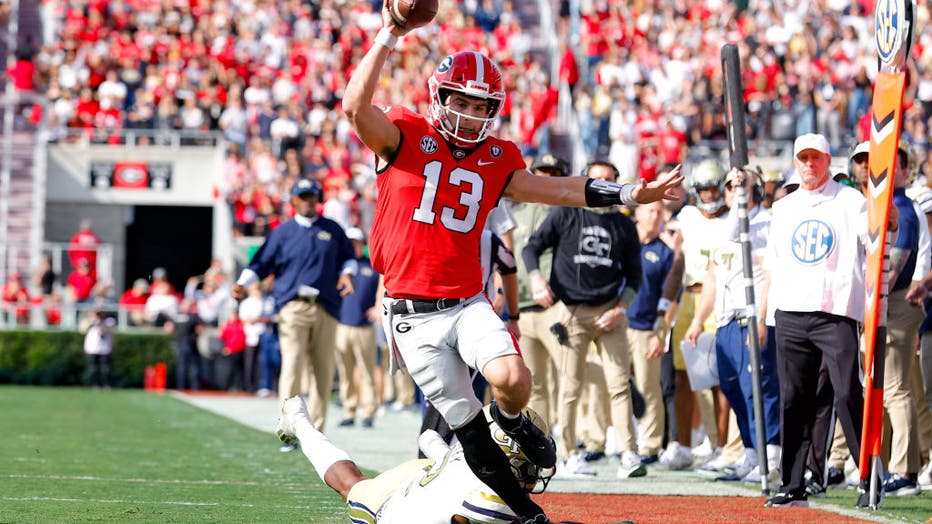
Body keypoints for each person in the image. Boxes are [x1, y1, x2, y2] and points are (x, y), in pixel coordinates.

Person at [342, 9, 682, 521]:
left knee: (513, 379)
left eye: (480, 104)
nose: (469, 112)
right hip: (411, 313)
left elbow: (563, 189)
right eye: (460, 100)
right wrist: (391, 33)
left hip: (465, 300)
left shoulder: (497, 158)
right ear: (440, 97)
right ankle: (531, 516)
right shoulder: (403, 132)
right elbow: (353, 107)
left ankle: (514, 424)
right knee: (467, 429)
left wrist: (630, 192)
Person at [762, 133, 891, 508]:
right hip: (791, 311)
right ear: (794, 161)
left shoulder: (851, 201)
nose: (809, 165)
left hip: (835, 312)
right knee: (792, 398)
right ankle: (792, 481)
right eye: (803, 158)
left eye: (815, 158)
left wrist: (890, 222)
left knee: (848, 393)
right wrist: (769, 314)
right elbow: (776, 262)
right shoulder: (782, 208)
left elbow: (878, 239)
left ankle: (869, 474)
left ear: (828, 160)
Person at [522, 160, 646, 480]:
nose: (603, 184)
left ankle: (629, 453)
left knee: (619, 384)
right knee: (570, 387)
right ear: (586, 181)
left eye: (610, 179)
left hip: (610, 312)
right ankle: (568, 454)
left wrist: (621, 307)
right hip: (572, 312)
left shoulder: (624, 225)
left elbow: (635, 276)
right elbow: (531, 248)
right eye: (597, 179)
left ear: (618, 184)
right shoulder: (565, 213)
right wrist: (536, 279)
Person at [275, 395, 556, 523]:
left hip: (429, 474)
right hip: (389, 508)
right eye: (529, 459)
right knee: (350, 485)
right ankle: (300, 423)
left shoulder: (477, 456)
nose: (534, 469)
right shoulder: (490, 505)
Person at [231, 177, 356, 444]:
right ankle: (289, 430)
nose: (308, 201)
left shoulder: (333, 230)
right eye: (303, 196)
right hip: (293, 307)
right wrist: (242, 284)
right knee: (292, 365)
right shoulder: (282, 233)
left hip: (326, 307)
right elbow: (260, 264)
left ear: (318, 199)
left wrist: (347, 274)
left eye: (312, 196)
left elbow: (348, 259)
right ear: (294, 200)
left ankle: (317, 433)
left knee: (323, 370)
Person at [684, 168, 782, 483]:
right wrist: (699, 319)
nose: (734, 192)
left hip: (750, 316)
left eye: (741, 186)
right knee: (732, 388)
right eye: (729, 187)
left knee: (760, 389)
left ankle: (772, 455)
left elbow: (770, 274)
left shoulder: (767, 224)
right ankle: (751, 452)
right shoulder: (723, 229)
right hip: (725, 318)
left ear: (754, 189)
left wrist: (763, 316)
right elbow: (713, 277)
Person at [510, 153, 570, 427]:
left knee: (570, 374)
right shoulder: (513, 210)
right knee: (534, 382)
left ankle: (584, 438)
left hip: (555, 303)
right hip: (520, 307)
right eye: (541, 173)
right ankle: (540, 435)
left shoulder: (566, 212)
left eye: (554, 174)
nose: (547, 179)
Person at [627, 200, 678, 464]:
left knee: (649, 389)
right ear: (637, 213)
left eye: (659, 211)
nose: (655, 215)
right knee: (611, 386)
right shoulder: (622, 242)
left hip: (647, 328)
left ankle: (649, 446)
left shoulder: (665, 253)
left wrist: (661, 333)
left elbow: (672, 298)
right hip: (616, 325)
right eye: (650, 210)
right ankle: (615, 443)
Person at [335, 227, 381, 428]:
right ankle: (349, 410)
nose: (353, 245)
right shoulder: (340, 266)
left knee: (367, 370)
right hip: (341, 325)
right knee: (345, 372)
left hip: (364, 326)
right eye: (350, 241)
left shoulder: (372, 266)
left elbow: (383, 289)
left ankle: (368, 411)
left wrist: (377, 306)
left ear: (363, 243)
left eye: (356, 241)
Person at [83, 310, 116, 388]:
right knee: (93, 368)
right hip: (92, 348)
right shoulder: (91, 321)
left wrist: (100, 322)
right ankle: (95, 384)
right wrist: (91, 320)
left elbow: (105, 330)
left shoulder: (109, 321)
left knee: (106, 368)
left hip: (105, 348)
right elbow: (82, 330)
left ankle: (107, 384)